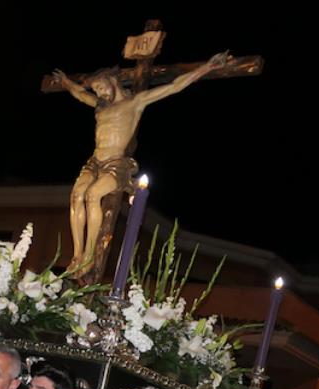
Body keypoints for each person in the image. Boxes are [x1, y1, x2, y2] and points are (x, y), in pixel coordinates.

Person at [52, 52, 230, 274]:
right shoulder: (101, 106)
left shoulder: (135, 103)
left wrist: (207, 67)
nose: (99, 93)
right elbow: (80, 94)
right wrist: (66, 82)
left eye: (101, 87)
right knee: (76, 195)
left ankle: (88, 256)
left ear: (113, 80)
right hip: (95, 160)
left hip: (116, 163)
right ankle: (77, 255)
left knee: (92, 195)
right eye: (96, 89)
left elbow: (173, 86)